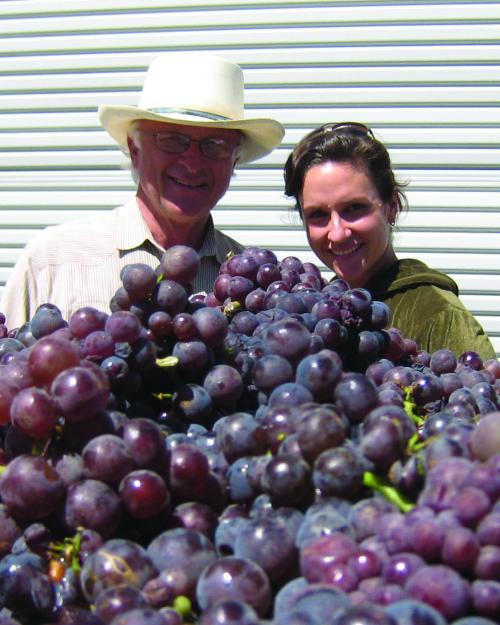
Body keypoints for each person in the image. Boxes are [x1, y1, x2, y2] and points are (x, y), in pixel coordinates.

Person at [1, 53, 285, 329]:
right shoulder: (51, 262)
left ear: (234, 160)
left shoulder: (251, 286)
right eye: (172, 139)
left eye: (216, 144)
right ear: (135, 150)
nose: (193, 162)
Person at [283, 122, 496, 360]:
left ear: (391, 207)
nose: (337, 233)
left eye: (354, 208)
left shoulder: (439, 314)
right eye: (318, 215)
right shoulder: (319, 311)